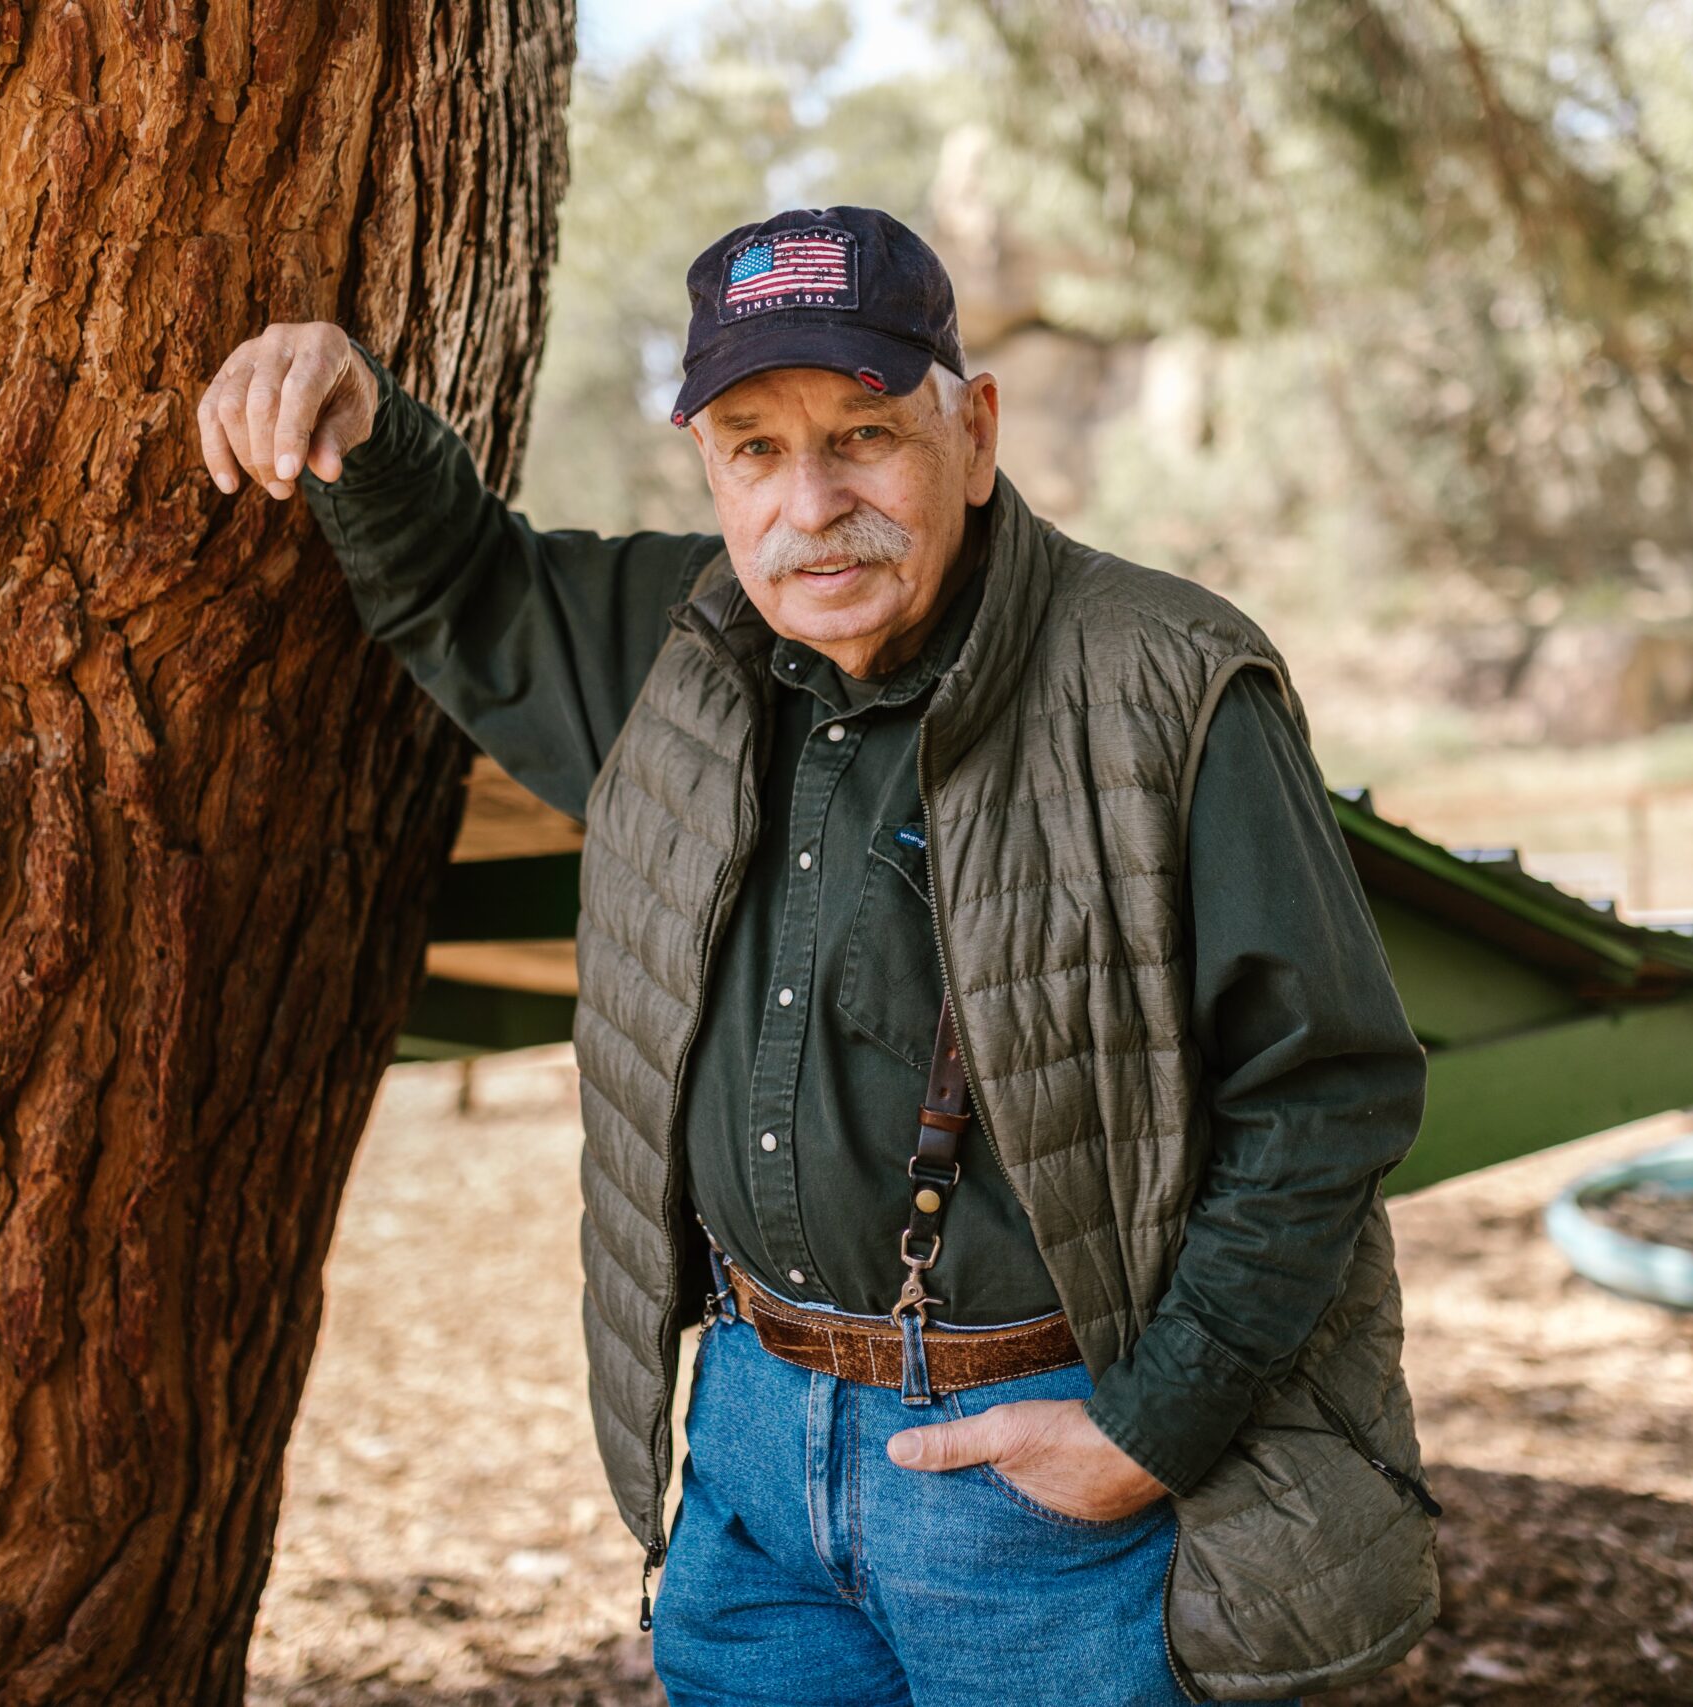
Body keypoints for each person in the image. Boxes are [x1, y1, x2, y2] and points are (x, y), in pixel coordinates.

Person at [195, 206, 1436, 1706]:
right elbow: (469, 592)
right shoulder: (677, 642)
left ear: (972, 436)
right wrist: (358, 413)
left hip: (1041, 1472)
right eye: (754, 448)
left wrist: (1145, 1432)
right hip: (749, 1461)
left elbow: (1329, 1093)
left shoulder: (1165, 679)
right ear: (709, 467)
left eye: (865, 436)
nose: (811, 504)